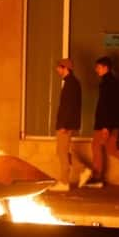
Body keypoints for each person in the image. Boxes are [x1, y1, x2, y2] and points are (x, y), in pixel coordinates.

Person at [85, 56, 119, 188]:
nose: (96, 69)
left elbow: (109, 106)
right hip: (111, 123)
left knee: (96, 147)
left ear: (105, 67)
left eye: (98, 67)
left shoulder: (109, 83)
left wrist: (106, 127)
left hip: (106, 124)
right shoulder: (110, 82)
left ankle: (97, 177)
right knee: (111, 149)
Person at [50, 58, 91, 192]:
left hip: (65, 124)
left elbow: (69, 106)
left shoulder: (71, 84)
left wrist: (64, 125)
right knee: (62, 151)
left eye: (59, 67)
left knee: (62, 152)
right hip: (66, 123)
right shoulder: (71, 82)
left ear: (65, 68)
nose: (57, 70)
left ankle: (64, 182)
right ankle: (83, 170)